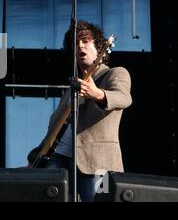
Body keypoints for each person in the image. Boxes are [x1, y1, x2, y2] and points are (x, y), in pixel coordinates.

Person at [27, 20, 132, 202]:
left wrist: (98, 94)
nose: (80, 46)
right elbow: (57, 125)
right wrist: (39, 155)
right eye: (75, 44)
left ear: (99, 47)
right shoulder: (72, 87)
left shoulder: (115, 73)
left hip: (97, 162)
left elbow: (123, 98)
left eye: (85, 41)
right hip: (58, 158)